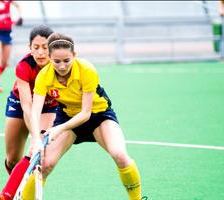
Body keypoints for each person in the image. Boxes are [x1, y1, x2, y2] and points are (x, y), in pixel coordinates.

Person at [24, 33, 146, 200]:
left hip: (99, 116)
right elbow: (35, 111)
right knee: (45, 165)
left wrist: (58, 129)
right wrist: (36, 139)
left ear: (74, 55)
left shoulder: (87, 70)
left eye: (67, 60)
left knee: (120, 155)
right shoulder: (44, 76)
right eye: (56, 61)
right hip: (68, 117)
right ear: (49, 58)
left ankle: (137, 199)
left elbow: (85, 114)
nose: (62, 66)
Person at [0, 24, 58, 200]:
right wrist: (34, 134)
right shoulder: (24, 66)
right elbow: (27, 106)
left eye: (45, 48)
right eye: (36, 47)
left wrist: (37, 139)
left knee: (34, 151)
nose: (40, 53)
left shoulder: (58, 65)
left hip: (49, 107)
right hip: (20, 104)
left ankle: (7, 195)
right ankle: (19, 187)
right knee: (12, 159)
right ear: (29, 48)